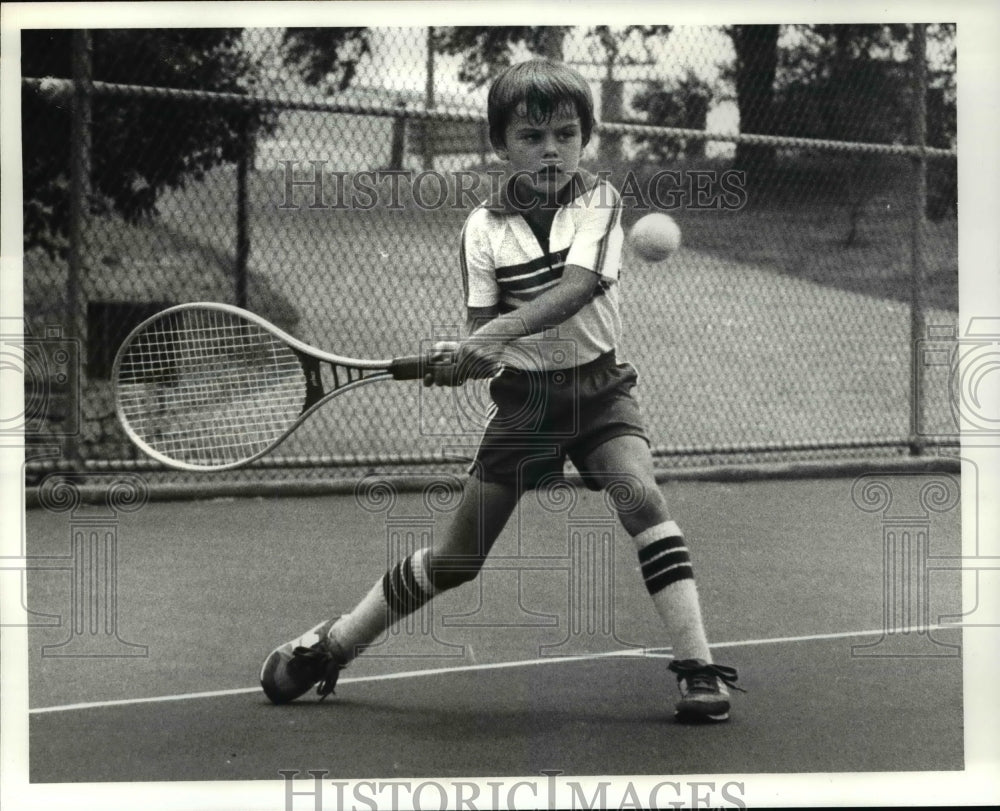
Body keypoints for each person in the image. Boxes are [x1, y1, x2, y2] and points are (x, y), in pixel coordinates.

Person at [260, 58, 742, 723]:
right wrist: (460, 357)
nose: (551, 150)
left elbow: (577, 289)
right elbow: (484, 339)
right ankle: (333, 644)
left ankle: (697, 666)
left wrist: (494, 336)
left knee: (642, 496)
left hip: (599, 390)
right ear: (500, 145)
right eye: (531, 137)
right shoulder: (481, 231)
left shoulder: (599, 202)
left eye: (566, 135)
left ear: (586, 138)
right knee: (457, 559)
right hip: (528, 404)